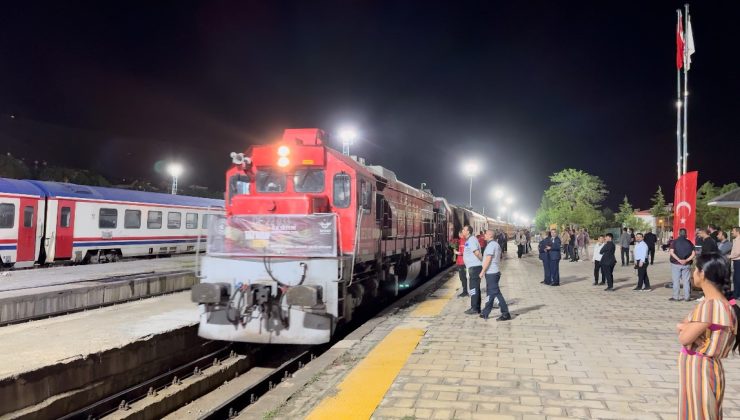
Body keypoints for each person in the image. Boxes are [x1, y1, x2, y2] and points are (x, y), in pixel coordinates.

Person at [676, 253, 739, 420]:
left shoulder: (711, 305)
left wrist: (684, 327)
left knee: (699, 413)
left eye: (695, 269)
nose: (693, 273)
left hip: (700, 370)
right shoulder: (724, 304)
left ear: (702, 273)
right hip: (708, 367)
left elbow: (684, 337)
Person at [479, 229, 511, 321]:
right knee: (490, 293)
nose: (484, 235)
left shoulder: (491, 246)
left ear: (490, 235)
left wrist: (482, 271)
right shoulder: (496, 244)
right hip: (494, 272)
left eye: (486, 234)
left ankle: (505, 313)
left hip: (491, 273)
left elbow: (488, 260)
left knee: (496, 293)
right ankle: (485, 312)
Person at [670, 228, 696, 302]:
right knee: (686, 281)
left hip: (676, 263)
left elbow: (672, 252)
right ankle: (687, 297)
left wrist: (679, 260)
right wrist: (686, 260)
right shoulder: (690, 242)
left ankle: (676, 297)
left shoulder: (674, 242)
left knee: (676, 281)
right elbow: (693, 254)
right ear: (686, 234)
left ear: (679, 233)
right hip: (686, 264)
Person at [462, 225, 483, 315]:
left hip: (475, 268)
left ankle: (474, 308)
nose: (462, 231)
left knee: (473, 288)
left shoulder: (471, 240)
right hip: (473, 267)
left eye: (464, 229)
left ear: (468, 232)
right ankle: (476, 307)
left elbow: (477, 252)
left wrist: (484, 262)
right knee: (475, 288)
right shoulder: (470, 240)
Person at [452, 231, 469, 298]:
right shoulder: (461, 241)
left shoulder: (464, 241)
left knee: (462, 277)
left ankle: (465, 292)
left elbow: (465, 251)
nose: (458, 235)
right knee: (462, 277)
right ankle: (465, 291)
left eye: (459, 234)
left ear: (461, 234)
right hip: (460, 261)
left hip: (462, 262)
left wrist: (457, 253)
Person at [730, 227, 740, 299]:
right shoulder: (736, 240)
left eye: (733, 231)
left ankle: (736, 294)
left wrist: (729, 256)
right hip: (736, 260)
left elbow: (738, 252)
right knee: (735, 278)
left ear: (737, 232)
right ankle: (736, 293)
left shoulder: (739, 240)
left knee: (737, 278)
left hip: (738, 261)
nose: (731, 232)